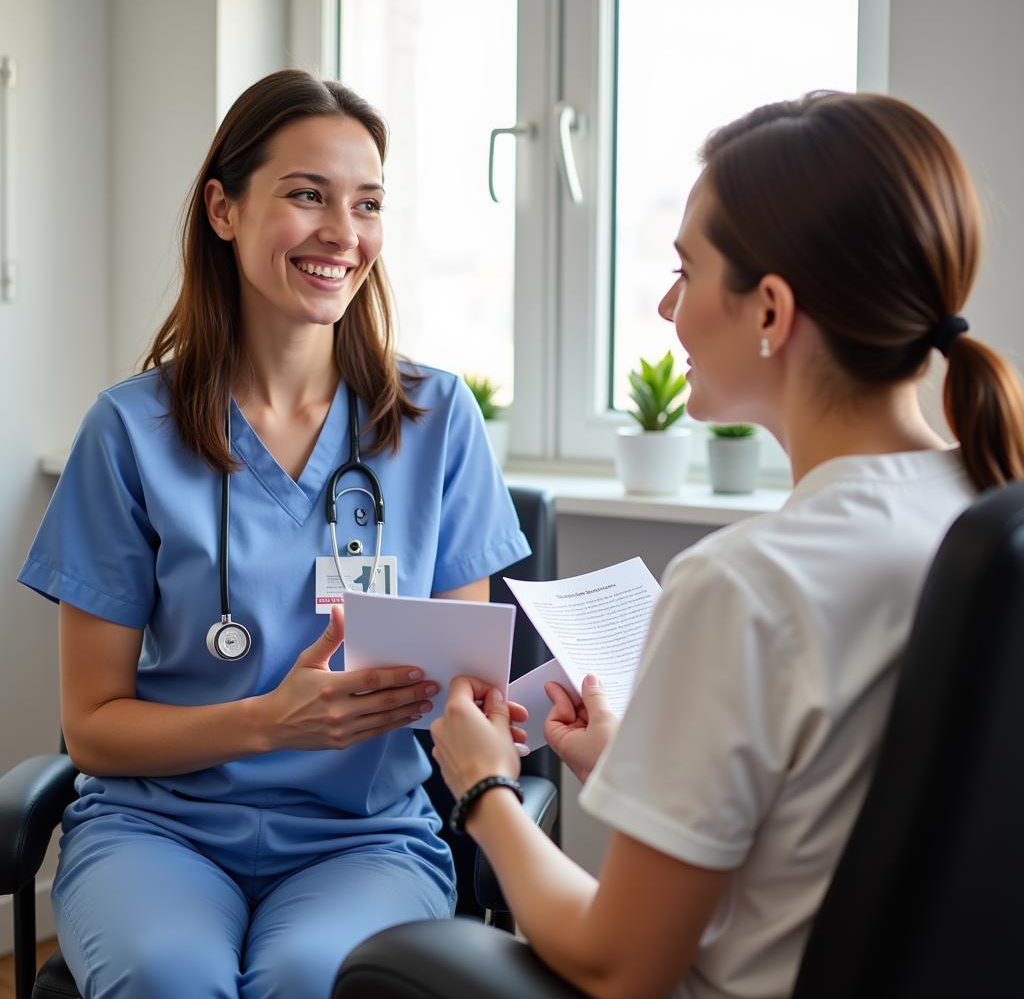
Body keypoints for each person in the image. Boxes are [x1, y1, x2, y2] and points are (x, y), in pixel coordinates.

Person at [429, 90, 1024, 999]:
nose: (669, 307)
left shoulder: (747, 585)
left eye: (686, 270)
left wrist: (486, 790)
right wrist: (631, 761)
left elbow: (616, 965)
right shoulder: (988, 506)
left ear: (770, 312)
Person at [17, 69, 529, 999]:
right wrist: (266, 723)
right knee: (168, 976)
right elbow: (92, 729)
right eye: (307, 195)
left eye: (367, 203)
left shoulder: (437, 420)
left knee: (313, 980)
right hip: (156, 831)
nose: (344, 233)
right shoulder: (127, 432)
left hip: (365, 839)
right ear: (224, 208)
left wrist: (500, 714)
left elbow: (463, 688)